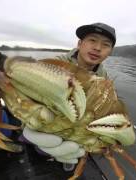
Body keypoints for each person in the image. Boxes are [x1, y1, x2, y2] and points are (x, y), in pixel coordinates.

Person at [22, 22, 116, 166]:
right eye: (92, 40)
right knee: (42, 149)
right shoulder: (53, 65)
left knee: (78, 149)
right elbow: (26, 90)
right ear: (79, 43)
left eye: (105, 45)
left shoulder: (104, 78)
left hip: (77, 126)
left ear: (110, 52)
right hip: (47, 123)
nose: (97, 48)